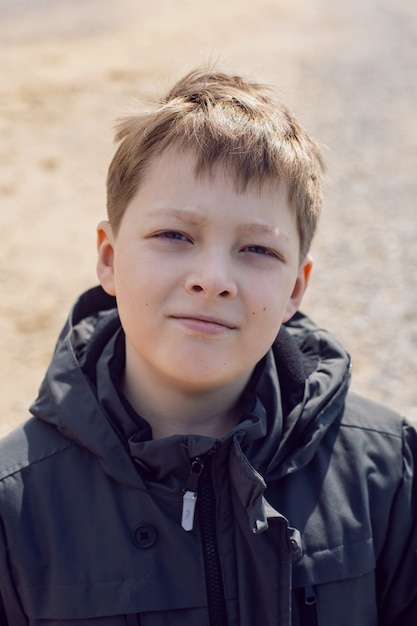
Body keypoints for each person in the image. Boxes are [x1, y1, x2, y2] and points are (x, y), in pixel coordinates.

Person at [0, 68, 416, 626]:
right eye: (175, 235)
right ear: (108, 256)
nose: (213, 278)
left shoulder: (386, 472)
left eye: (257, 250)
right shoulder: (17, 506)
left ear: (296, 286)